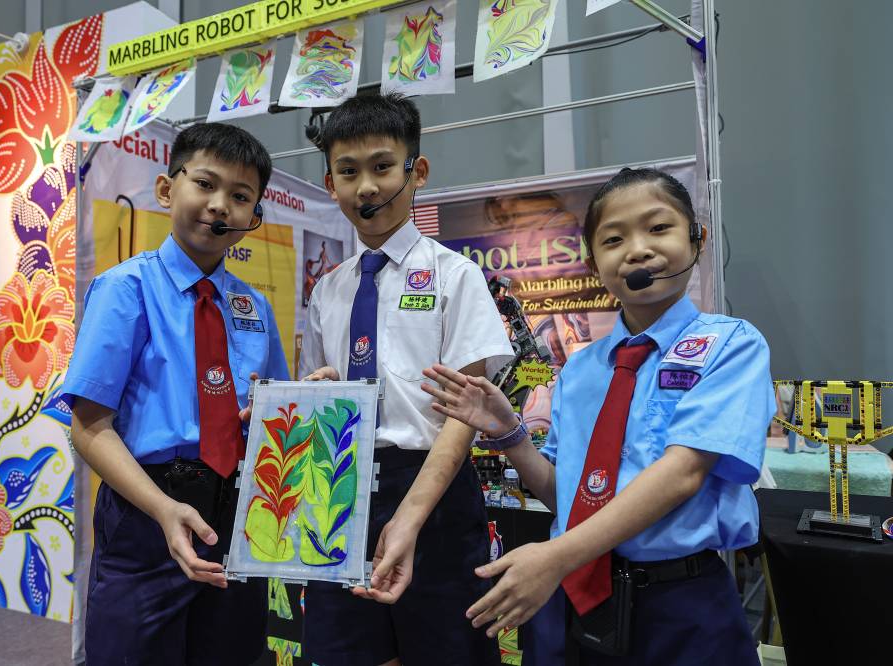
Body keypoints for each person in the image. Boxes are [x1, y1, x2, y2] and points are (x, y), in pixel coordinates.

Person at [423, 167, 772, 666]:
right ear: (593, 262)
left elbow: (683, 473)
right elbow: (569, 497)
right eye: (614, 239)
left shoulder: (730, 344)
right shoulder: (580, 370)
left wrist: (555, 557)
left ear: (698, 239)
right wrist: (510, 434)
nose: (638, 250)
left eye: (658, 228)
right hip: (571, 598)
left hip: (677, 603)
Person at [298, 93, 514, 666]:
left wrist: (409, 517)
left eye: (382, 166)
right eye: (349, 172)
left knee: (446, 650)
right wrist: (320, 390)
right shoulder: (327, 291)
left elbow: (464, 414)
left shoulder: (456, 276)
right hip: (340, 488)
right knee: (348, 650)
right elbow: (321, 395)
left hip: (432, 491)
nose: (367, 187)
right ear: (331, 184)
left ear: (416, 172)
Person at [64, 123, 290, 665]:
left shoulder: (254, 307)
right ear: (167, 190)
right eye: (205, 184)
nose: (220, 205)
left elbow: (274, 413)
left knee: (233, 653)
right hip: (148, 510)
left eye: (240, 196)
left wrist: (310, 399)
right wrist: (164, 509)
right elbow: (89, 427)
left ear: (253, 215)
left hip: (239, 514)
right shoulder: (126, 289)